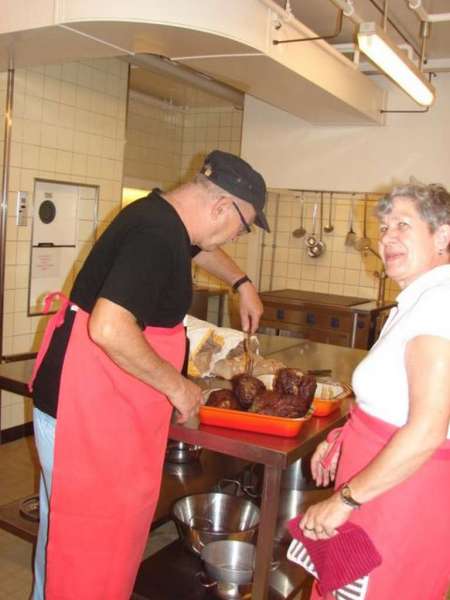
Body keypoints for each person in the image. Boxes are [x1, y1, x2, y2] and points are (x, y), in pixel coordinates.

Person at [29, 149, 270, 600]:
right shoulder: (156, 234)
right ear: (221, 206)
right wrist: (178, 386)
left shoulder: (164, 219)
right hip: (84, 406)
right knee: (86, 537)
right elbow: (109, 327)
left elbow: (202, 250)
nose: (235, 238)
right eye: (242, 226)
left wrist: (242, 283)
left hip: (88, 400)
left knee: (64, 532)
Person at [299, 183, 450, 599]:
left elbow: (427, 430)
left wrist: (344, 500)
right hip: (381, 484)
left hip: (401, 500)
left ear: (443, 236)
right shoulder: (418, 300)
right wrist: (342, 436)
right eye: (383, 228)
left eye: (403, 224)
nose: (387, 238)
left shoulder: (441, 303)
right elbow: (392, 403)